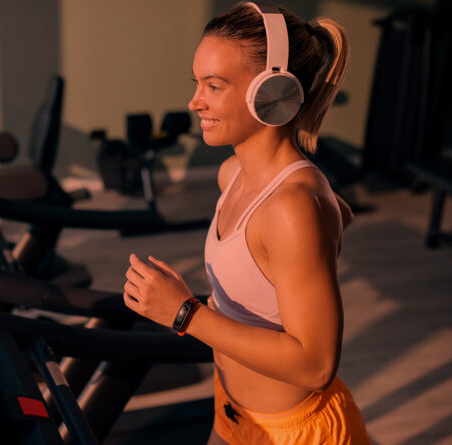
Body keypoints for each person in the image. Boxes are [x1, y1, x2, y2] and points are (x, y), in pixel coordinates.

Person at [123, 2, 370, 443]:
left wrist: (184, 313)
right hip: (234, 413)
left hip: (292, 433)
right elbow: (337, 211)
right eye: (196, 83)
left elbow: (315, 365)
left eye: (213, 86)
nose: (194, 101)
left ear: (273, 93)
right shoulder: (233, 175)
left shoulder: (292, 208)